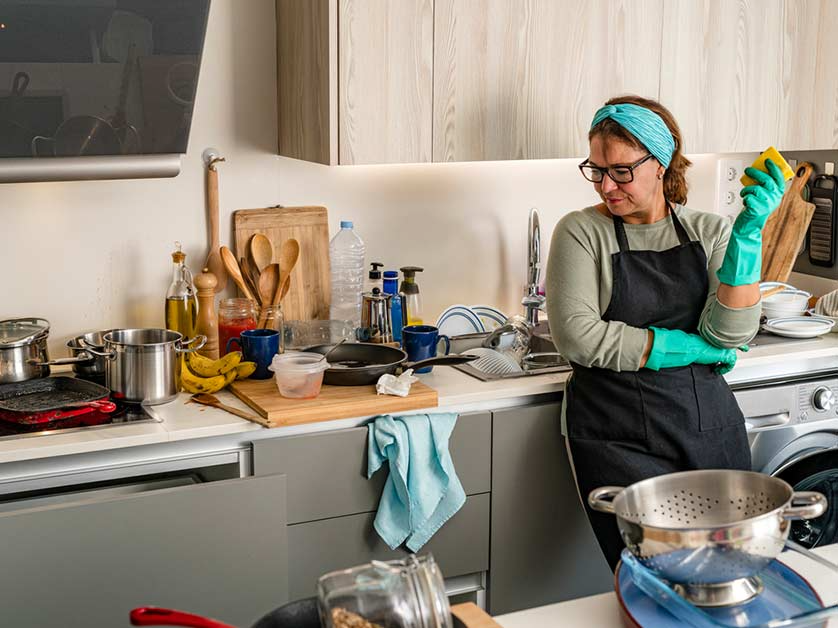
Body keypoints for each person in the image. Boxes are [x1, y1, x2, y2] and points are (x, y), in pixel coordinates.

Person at [545, 95, 786, 570]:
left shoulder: (709, 231)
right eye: (595, 169)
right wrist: (687, 347)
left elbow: (731, 332)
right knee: (647, 575)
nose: (606, 186)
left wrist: (747, 237)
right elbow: (577, 337)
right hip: (616, 437)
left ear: (660, 165)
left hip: (708, 429)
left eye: (620, 171)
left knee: (727, 569)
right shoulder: (580, 232)